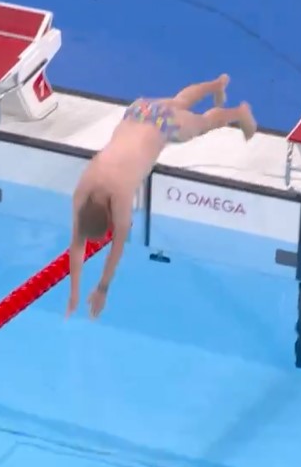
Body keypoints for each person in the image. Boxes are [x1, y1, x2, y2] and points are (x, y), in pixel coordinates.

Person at [66, 74, 256, 318]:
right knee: (178, 101)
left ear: (109, 216)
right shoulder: (84, 187)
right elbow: (77, 243)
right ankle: (216, 85)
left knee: (202, 124)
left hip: (162, 126)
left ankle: (238, 113)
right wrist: (74, 294)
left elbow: (115, 247)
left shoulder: (120, 193)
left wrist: (102, 289)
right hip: (138, 111)